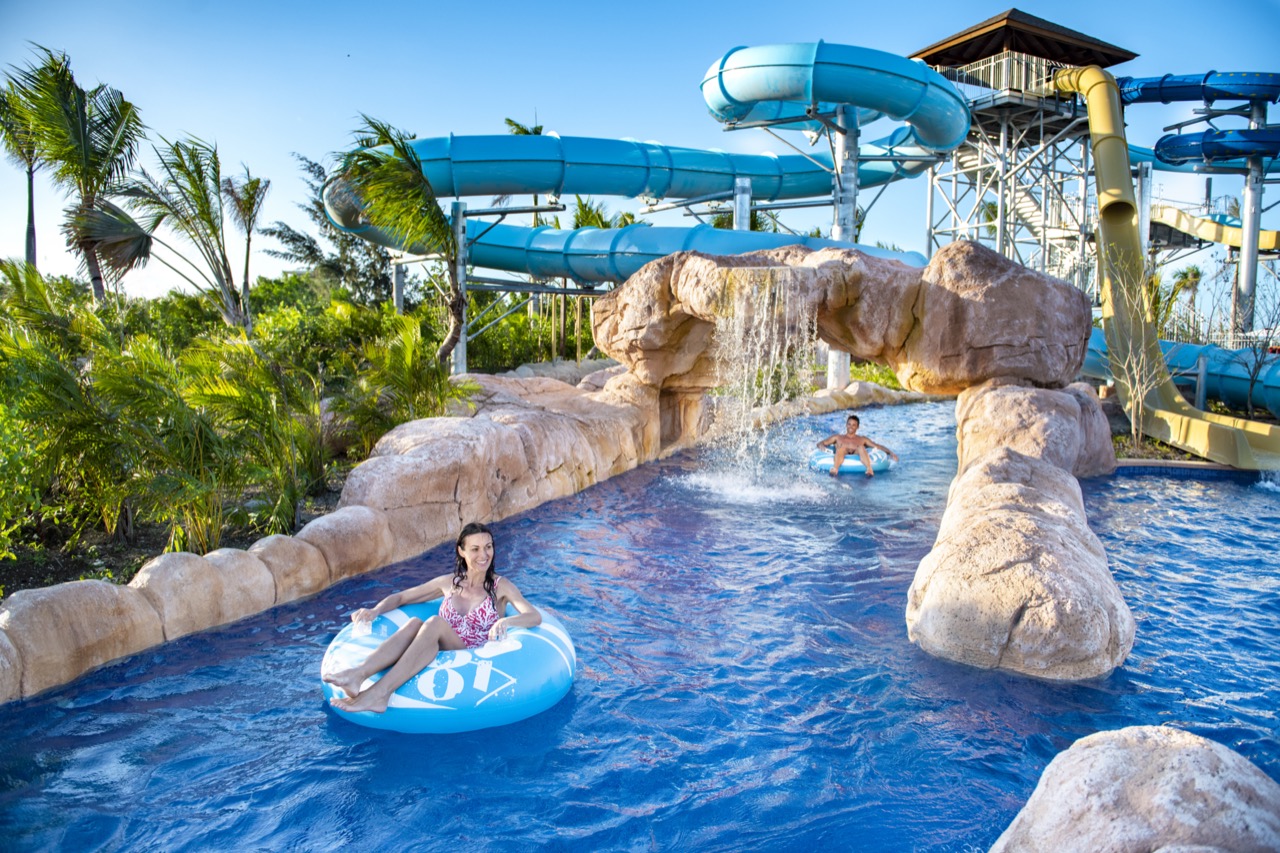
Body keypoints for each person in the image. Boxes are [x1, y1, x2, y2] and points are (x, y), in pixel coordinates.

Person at [323, 521, 541, 714]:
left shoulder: (500, 586)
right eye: (475, 549)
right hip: (438, 647)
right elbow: (401, 597)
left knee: (435, 623)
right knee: (414, 623)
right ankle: (358, 674)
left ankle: (379, 694)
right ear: (461, 551)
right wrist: (375, 611)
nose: (484, 555)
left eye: (488, 547)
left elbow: (533, 616)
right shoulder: (449, 583)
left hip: (473, 655)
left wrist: (506, 621)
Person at [816, 414, 898, 477]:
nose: (850, 427)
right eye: (849, 424)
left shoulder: (862, 439)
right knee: (842, 448)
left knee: (861, 447)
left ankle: (869, 469)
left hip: (857, 453)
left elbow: (878, 446)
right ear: (846, 425)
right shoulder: (837, 437)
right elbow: (821, 443)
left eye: (853, 425)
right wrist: (822, 448)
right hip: (841, 454)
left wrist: (891, 453)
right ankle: (835, 468)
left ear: (857, 427)